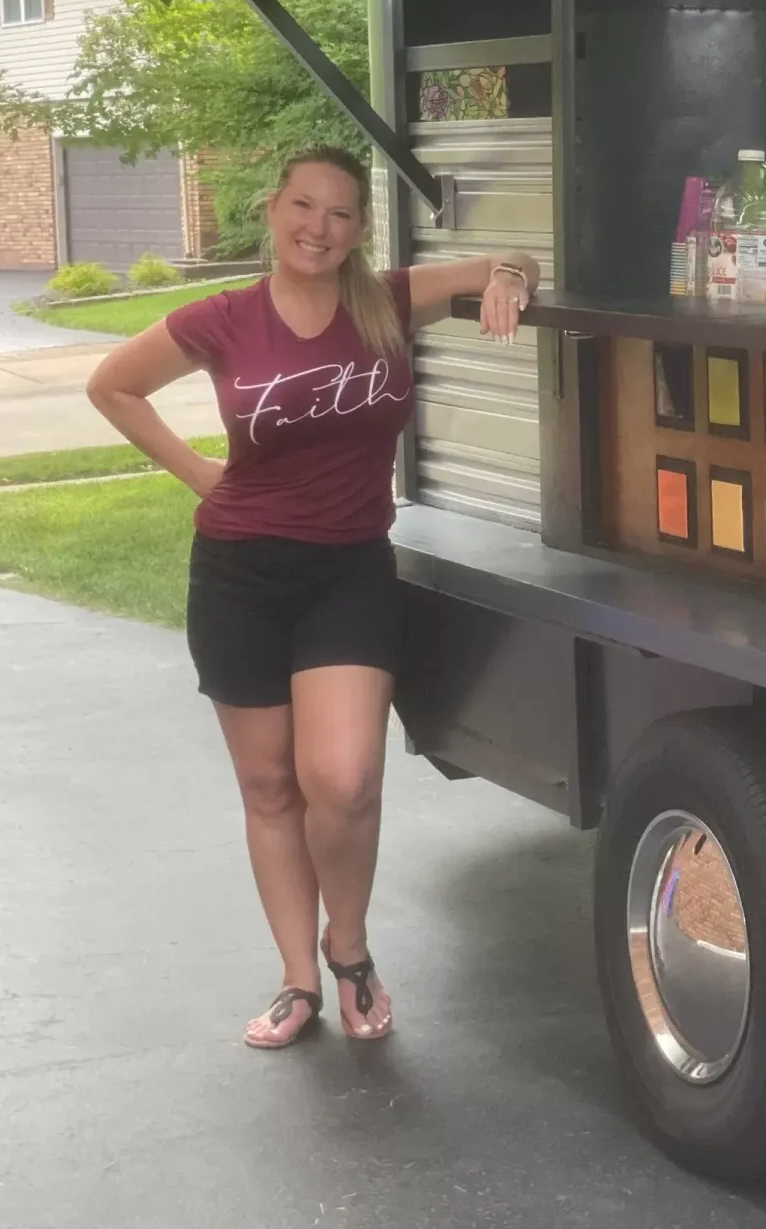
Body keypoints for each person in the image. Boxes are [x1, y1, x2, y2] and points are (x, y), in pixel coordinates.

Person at [87, 144, 540, 1048]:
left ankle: (350, 945)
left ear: (361, 230)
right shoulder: (224, 319)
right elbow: (113, 385)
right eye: (303, 206)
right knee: (268, 787)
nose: (317, 227)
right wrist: (201, 477)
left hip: (347, 570)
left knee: (343, 779)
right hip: (239, 574)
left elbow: (512, 259)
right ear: (273, 209)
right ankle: (299, 981)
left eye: (339, 214)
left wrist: (511, 283)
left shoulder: (386, 300)